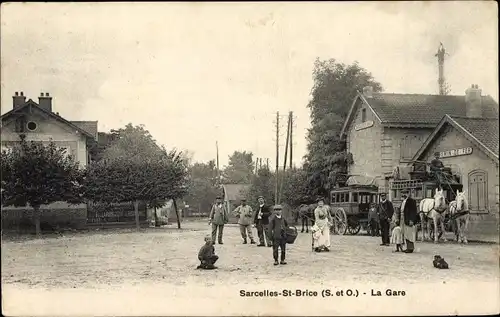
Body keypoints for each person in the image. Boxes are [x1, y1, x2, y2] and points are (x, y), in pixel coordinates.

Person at [398, 189, 418, 253]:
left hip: (408, 219)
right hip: (402, 219)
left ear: (408, 193)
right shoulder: (403, 201)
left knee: (409, 233)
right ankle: (407, 247)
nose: (404, 194)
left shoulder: (411, 201)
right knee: (404, 233)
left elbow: (413, 211)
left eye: (406, 193)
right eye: (403, 193)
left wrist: (411, 220)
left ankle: (410, 248)